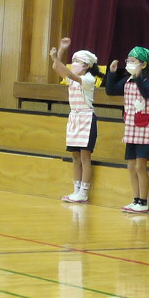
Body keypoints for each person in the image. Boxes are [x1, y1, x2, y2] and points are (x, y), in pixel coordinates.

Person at [105, 45, 149, 215]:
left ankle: (143, 201)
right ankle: (135, 199)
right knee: (131, 165)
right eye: (127, 61)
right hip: (131, 128)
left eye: (133, 61)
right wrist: (112, 74)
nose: (128, 63)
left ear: (143, 65)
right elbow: (111, 91)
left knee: (140, 166)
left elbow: (147, 94)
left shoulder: (147, 81)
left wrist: (137, 77)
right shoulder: (127, 81)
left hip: (146, 129)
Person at [50, 39, 100, 203]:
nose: (73, 65)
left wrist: (58, 56)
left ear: (86, 65)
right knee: (75, 157)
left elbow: (67, 72)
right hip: (74, 118)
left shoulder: (88, 79)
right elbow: (57, 68)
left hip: (86, 119)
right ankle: (76, 190)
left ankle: (84, 192)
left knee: (85, 158)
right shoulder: (72, 79)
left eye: (77, 62)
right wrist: (60, 52)